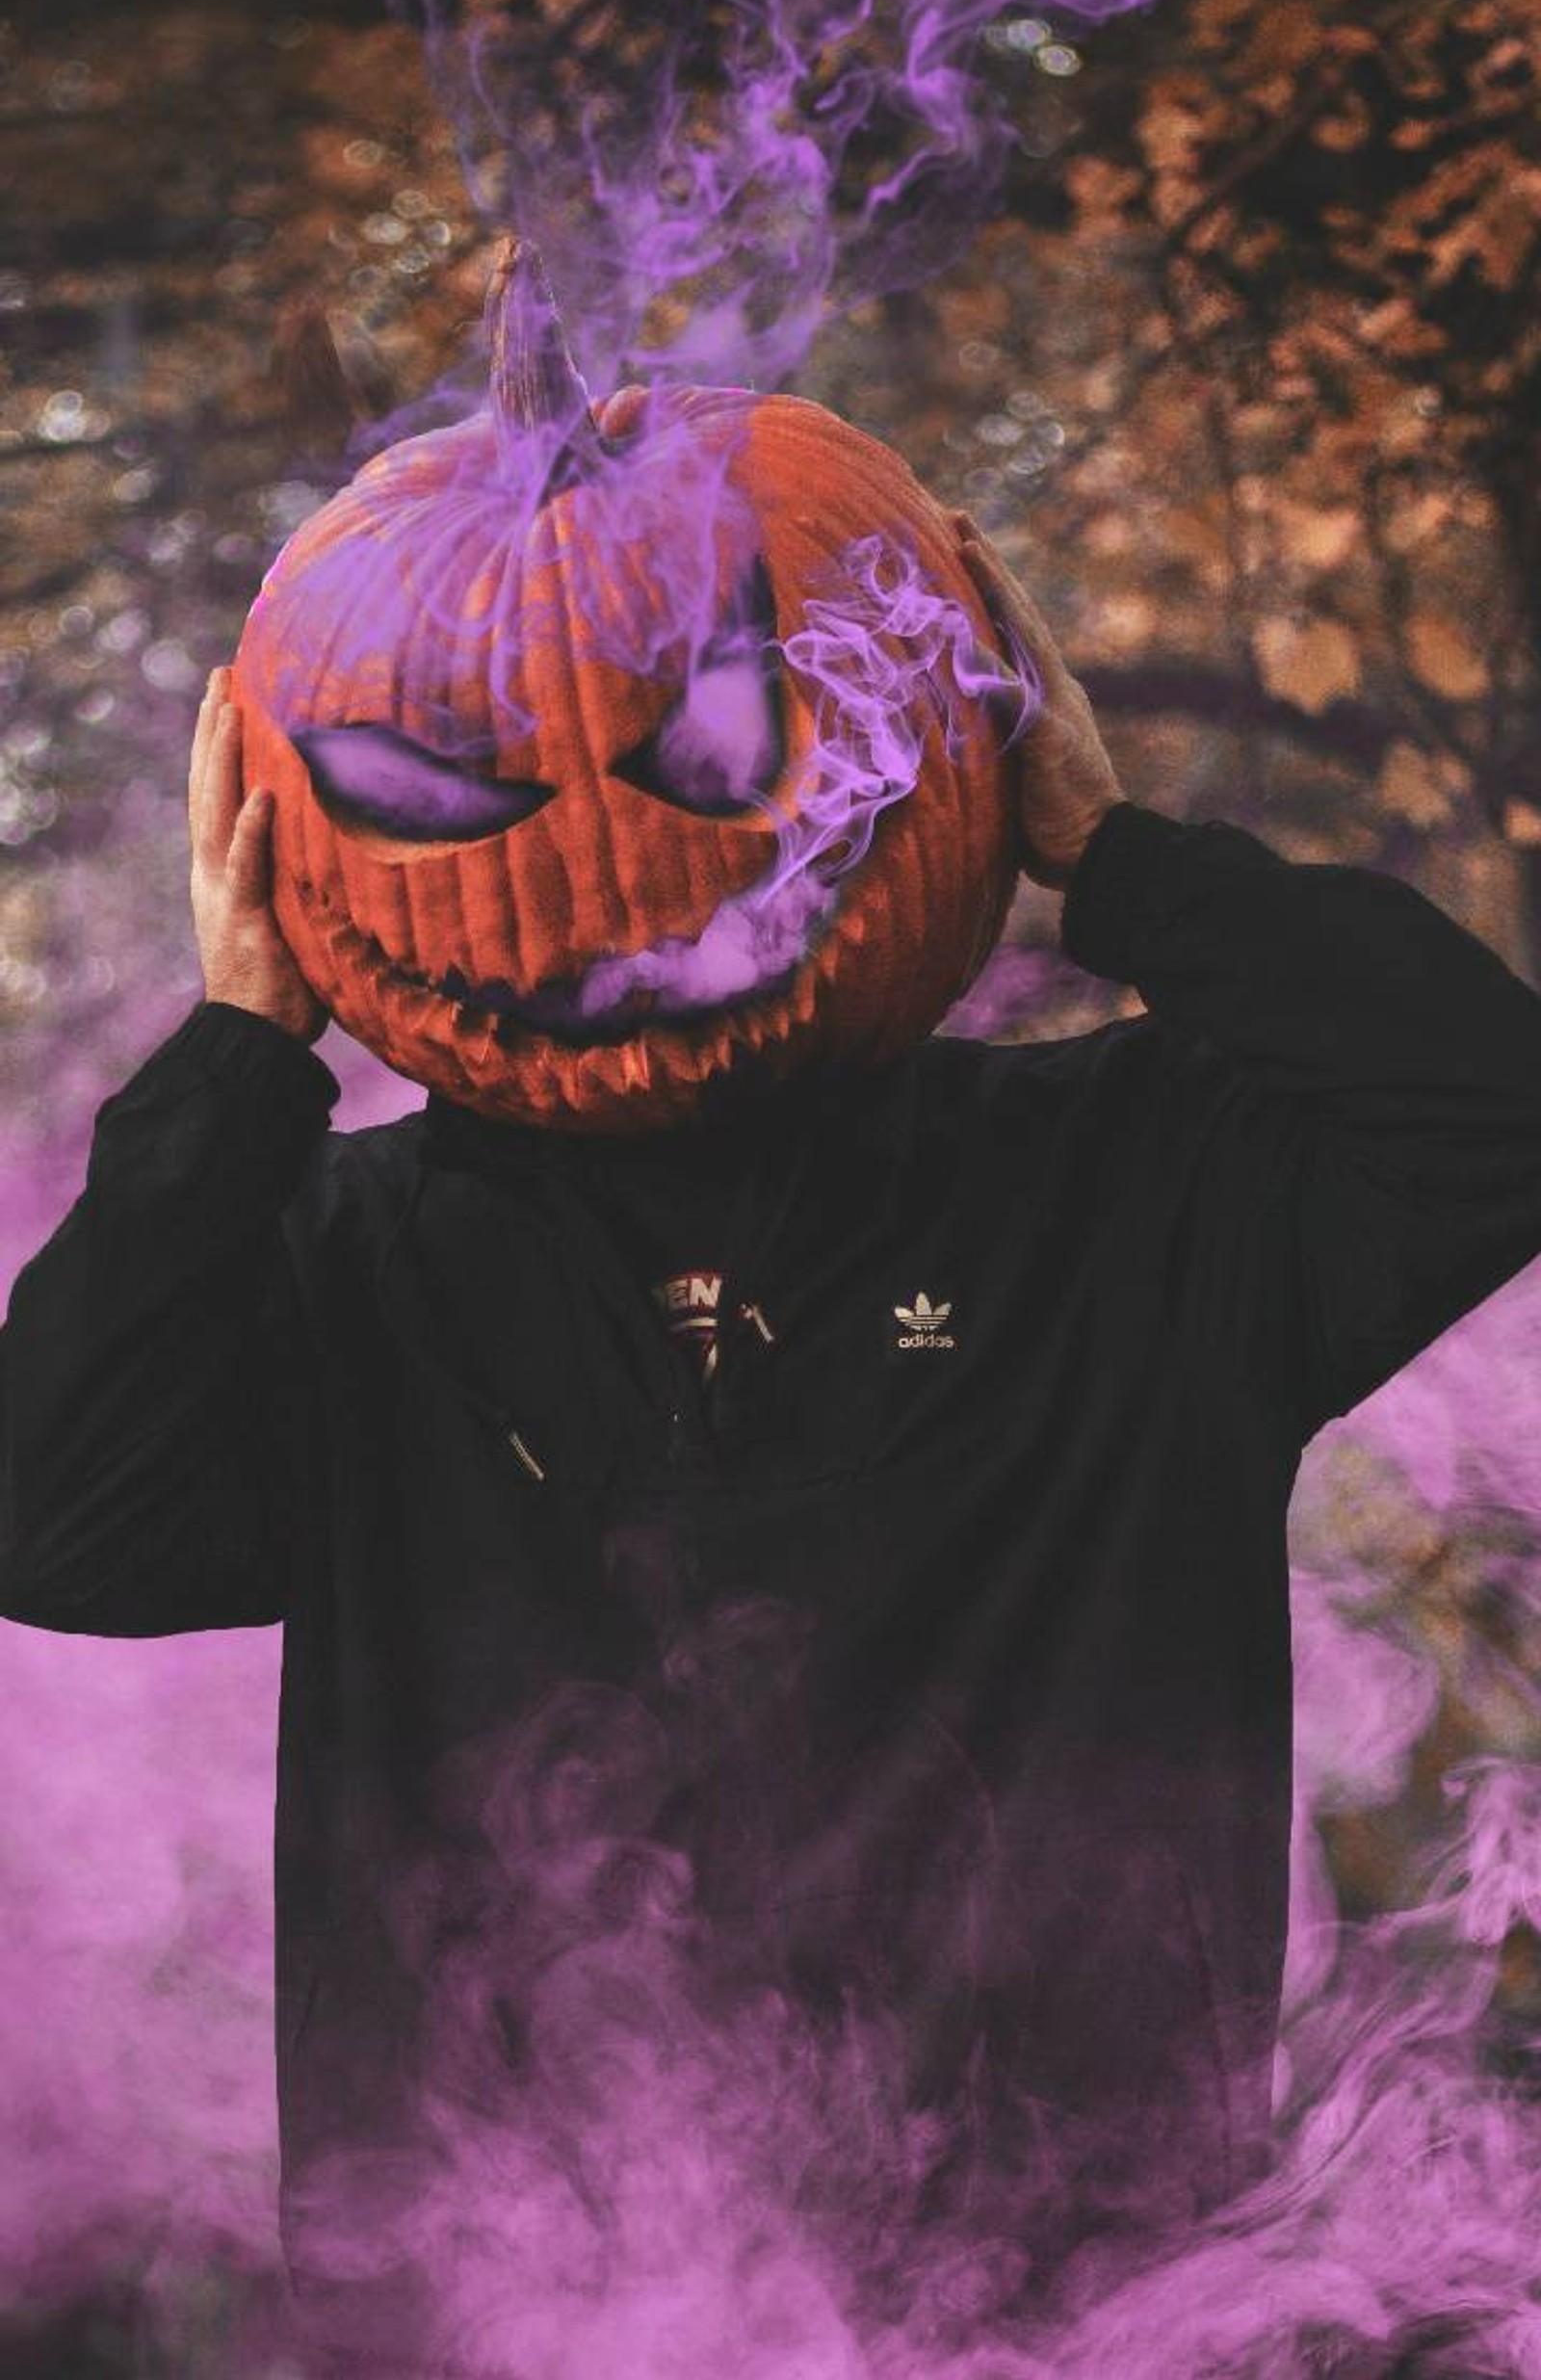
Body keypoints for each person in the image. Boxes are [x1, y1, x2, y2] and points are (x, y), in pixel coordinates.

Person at [5, 526, 1541, 2378]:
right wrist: (243, 1049)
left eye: (718, 754)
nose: (590, 843)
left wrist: (1115, 861)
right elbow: (51, 1514)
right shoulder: (342, 1268)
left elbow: (1491, 1105)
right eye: (437, 788)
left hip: (1087, 2311)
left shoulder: (1137, 1188)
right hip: (498, 2315)